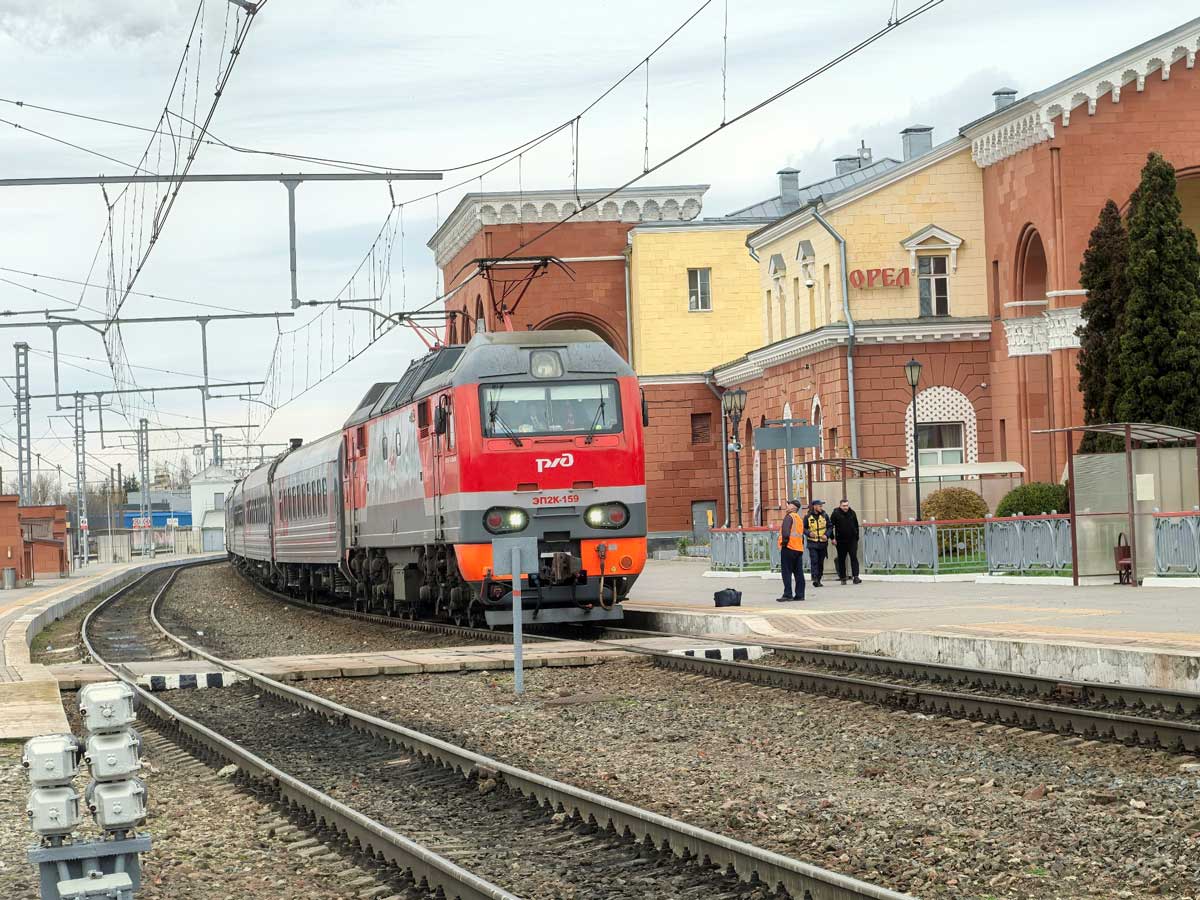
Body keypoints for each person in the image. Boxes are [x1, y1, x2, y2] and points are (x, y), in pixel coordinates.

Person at [776, 499, 805, 602]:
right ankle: (800, 594)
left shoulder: (789, 517)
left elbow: (785, 532)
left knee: (786, 572)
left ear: (793, 508)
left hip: (789, 548)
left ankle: (787, 594)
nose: (787, 506)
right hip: (798, 548)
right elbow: (802, 534)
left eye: (789, 505)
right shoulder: (799, 519)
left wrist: (784, 544)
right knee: (798, 573)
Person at [830, 498, 862, 584]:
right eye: (844, 506)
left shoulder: (852, 513)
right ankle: (843, 578)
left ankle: (856, 577)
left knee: (854, 557)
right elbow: (830, 527)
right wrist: (832, 538)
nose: (845, 507)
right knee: (841, 559)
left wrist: (856, 537)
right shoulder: (835, 514)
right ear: (840, 505)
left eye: (847, 505)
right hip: (840, 541)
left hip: (852, 540)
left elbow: (856, 525)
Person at [803, 499, 831, 587]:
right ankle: (815, 578)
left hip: (822, 543)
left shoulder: (825, 515)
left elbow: (830, 527)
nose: (821, 507)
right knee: (814, 560)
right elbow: (803, 528)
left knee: (820, 562)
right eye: (819, 506)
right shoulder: (808, 517)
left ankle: (819, 579)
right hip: (812, 543)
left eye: (821, 506)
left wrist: (827, 535)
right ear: (814, 506)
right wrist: (809, 533)